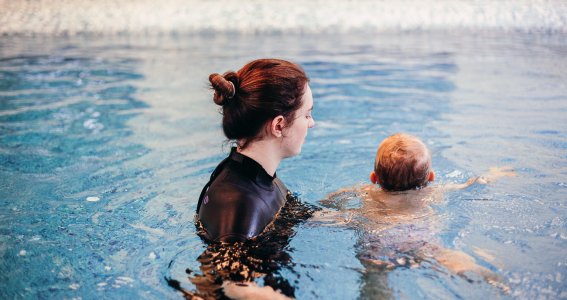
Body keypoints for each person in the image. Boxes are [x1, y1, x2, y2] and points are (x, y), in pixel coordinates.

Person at [315, 133, 516, 293]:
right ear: (431, 177)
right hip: (418, 233)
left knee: (375, 274)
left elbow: (333, 198)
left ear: (374, 177)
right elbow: (470, 185)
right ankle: (483, 275)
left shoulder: (366, 191)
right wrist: (492, 175)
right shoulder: (434, 191)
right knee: (444, 256)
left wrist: (329, 202)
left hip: (379, 238)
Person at [196, 58, 315, 243]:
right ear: (279, 125)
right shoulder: (239, 209)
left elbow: (296, 214)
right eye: (307, 115)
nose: (311, 123)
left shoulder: (255, 177)